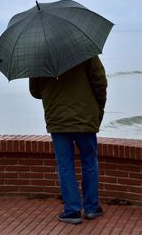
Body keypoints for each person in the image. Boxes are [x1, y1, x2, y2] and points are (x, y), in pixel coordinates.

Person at [29, 55, 107, 224]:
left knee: (65, 166)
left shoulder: (39, 56)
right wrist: (98, 105)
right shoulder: (85, 51)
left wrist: (53, 90)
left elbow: (35, 91)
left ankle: (72, 211)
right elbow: (100, 81)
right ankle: (92, 208)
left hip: (57, 120)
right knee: (89, 161)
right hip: (84, 118)